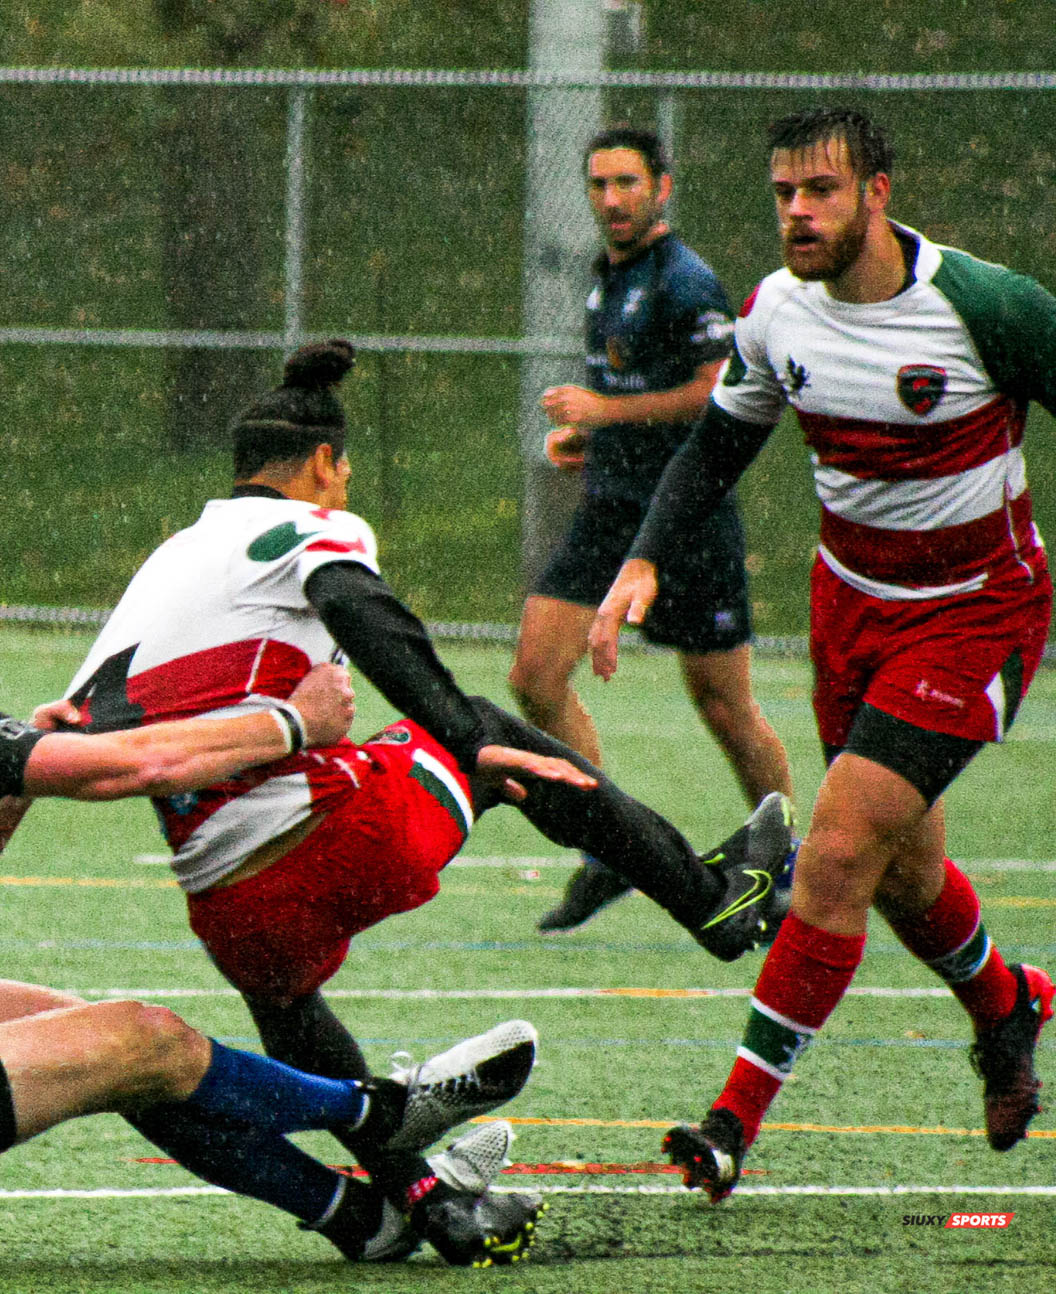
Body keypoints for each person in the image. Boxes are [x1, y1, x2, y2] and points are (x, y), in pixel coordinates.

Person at [64, 341, 794, 1233]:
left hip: (223, 909)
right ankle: (712, 900)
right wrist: (464, 739)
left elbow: (80, 725)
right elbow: (362, 612)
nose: (345, 489)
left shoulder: (165, 565)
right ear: (325, 464)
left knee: (284, 997)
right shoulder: (311, 526)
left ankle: (423, 1200)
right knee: (486, 727)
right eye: (344, 473)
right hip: (328, 848)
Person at [0, 554, 547, 1266]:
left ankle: (366, 1220)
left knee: (107, 1046)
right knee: (147, 1041)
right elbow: (136, 767)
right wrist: (293, 723)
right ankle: (383, 1112)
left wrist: (12, 786)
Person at [588, 107, 1056, 1201]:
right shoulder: (773, 312)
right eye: (784, 194)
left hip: (974, 613)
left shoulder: (986, 306)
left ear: (878, 193)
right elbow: (718, 445)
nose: (798, 213)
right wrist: (642, 561)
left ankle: (728, 1125)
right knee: (905, 875)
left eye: (822, 192)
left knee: (838, 852)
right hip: (849, 611)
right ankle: (1006, 1004)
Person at [508, 127, 794, 934]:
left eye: (627, 182)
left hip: (685, 520)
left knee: (724, 707)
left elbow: (714, 394)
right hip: (608, 510)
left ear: (662, 188)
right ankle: (611, 850)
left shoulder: (685, 280)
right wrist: (593, 437)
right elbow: (640, 392)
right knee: (535, 677)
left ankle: (790, 864)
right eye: (599, 184)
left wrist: (607, 411)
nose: (611, 199)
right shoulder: (610, 279)